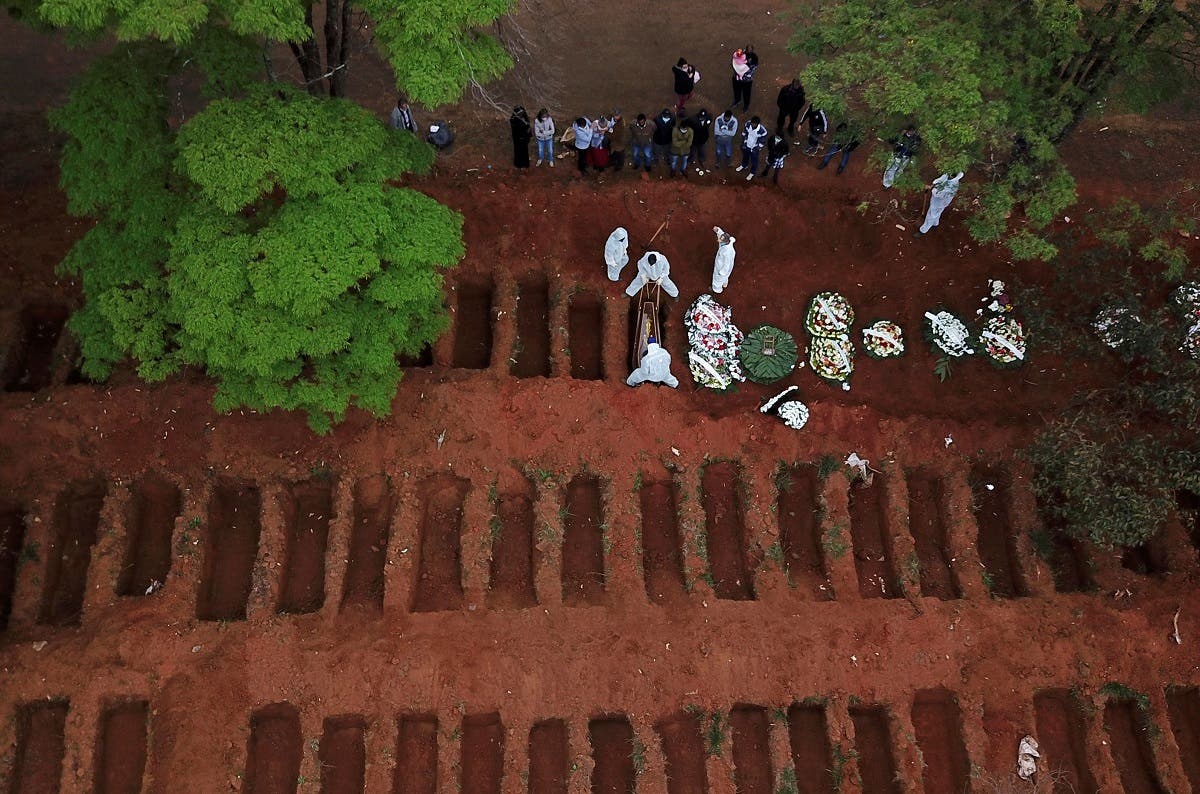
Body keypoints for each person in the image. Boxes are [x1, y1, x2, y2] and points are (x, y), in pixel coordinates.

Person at [736, 116, 769, 180]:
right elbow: (744, 133)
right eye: (752, 123)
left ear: (757, 124)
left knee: (754, 161)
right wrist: (744, 142)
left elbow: (762, 142)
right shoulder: (748, 124)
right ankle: (744, 165)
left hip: (754, 149)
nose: (752, 124)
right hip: (746, 145)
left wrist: (756, 148)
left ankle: (752, 172)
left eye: (754, 123)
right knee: (745, 156)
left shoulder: (762, 131)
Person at [731, 46, 758, 111]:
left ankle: (746, 105)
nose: (748, 52)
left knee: (746, 93)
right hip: (736, 78)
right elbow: (733, 61)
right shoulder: (740, 54)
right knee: (736, 90)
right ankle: (737, 100)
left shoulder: (754, 57)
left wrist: (741, 70)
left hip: (747, 81)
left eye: (750, 51)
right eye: (747, 51)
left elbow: (753, 68)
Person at [711, 226, 736, 293]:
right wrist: (718, 230)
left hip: (721, 269)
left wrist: (721, 273)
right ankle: (725, 283)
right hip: (726, 269)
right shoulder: (726, 243)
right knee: (725, 277)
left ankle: (717, 290)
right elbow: (722, 234)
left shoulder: (727, 252)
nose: (718, 240)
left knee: (717, 281)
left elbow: (726, 265)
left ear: (725, 241)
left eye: (720, 240)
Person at [688, 109, 712, 175]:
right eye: (701, 117)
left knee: (702, 151)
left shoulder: (709, 118)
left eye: (703, 117)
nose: (702, 118)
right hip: (694, 139)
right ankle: (691, 160)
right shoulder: (693, 120)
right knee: (692, 151)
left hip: (703, 139)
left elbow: (708, 122)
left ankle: (702, 160)